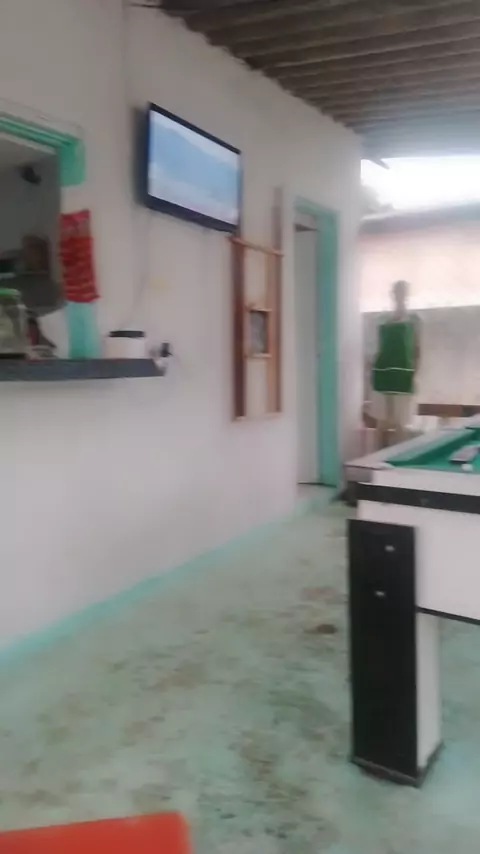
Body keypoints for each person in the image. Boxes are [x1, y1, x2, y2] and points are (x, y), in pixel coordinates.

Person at [371, 280, 420, 448]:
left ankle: (399, 458)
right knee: (381, 422)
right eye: (397, 291)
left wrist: (415, 374)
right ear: (392, 294)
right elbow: (378, 347)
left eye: (402, 292)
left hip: (403, 374)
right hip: (382, 373)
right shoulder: (382, 319)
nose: (399, 295)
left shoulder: (414, 319)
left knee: (401, 423)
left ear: (407, 294)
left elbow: (417, 348)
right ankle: (375, 458)